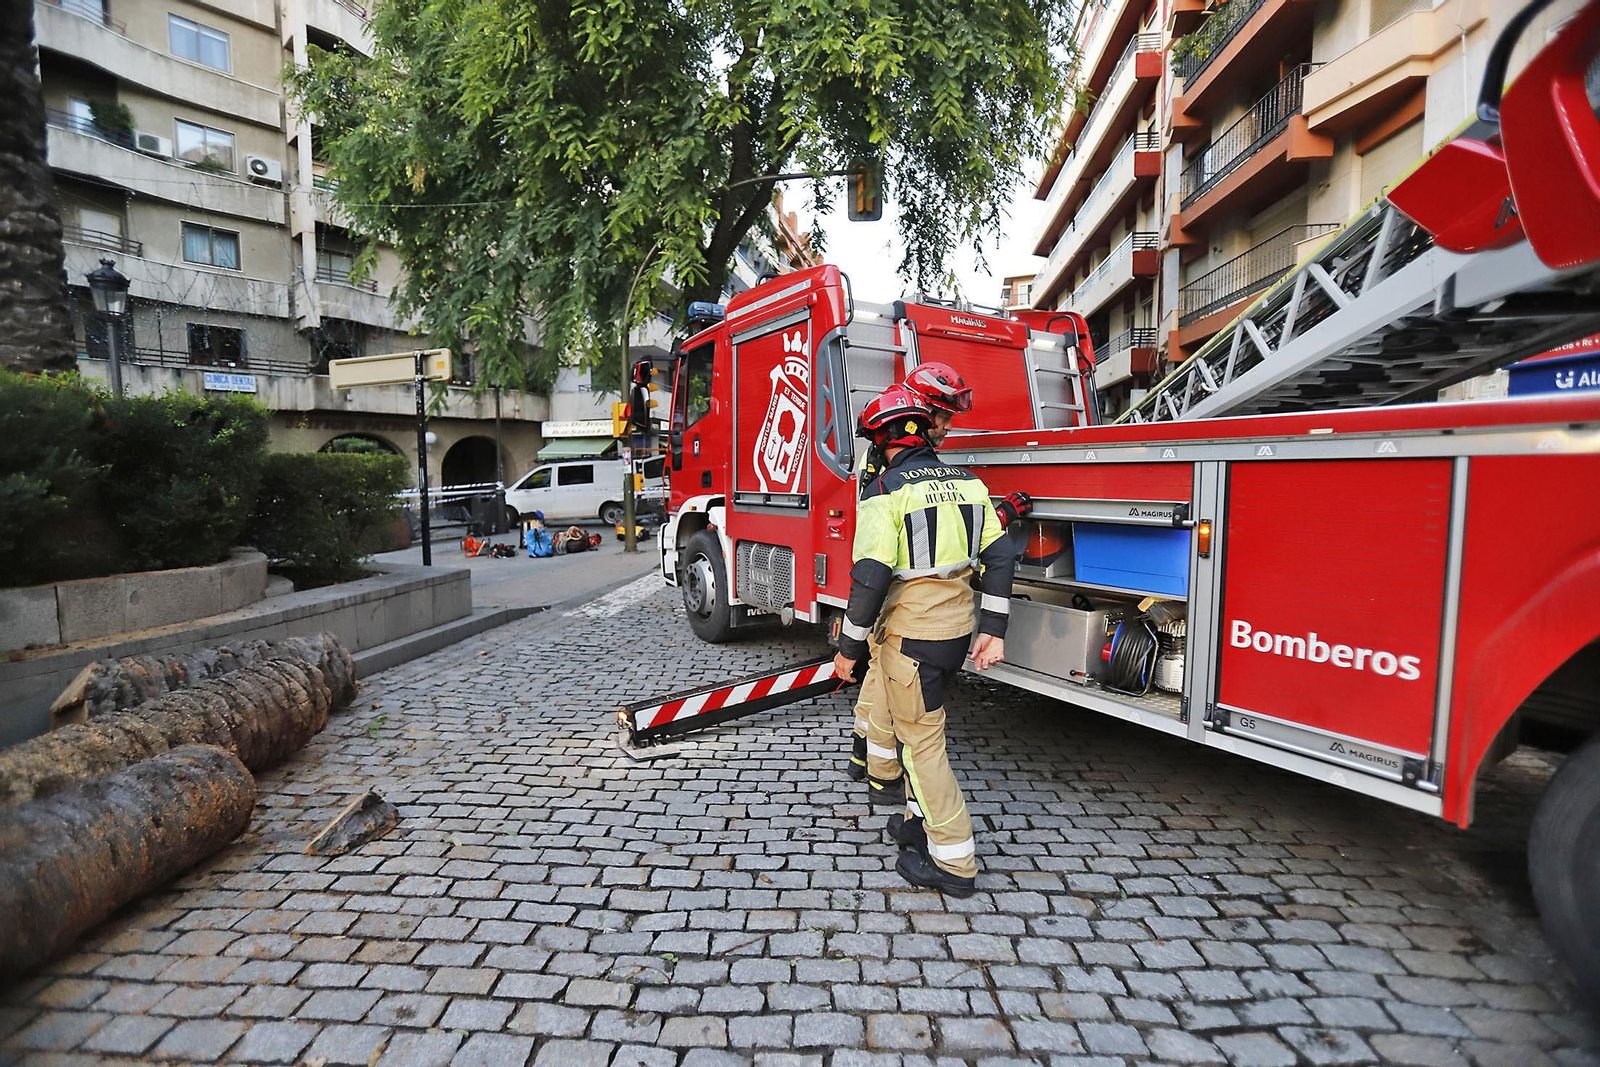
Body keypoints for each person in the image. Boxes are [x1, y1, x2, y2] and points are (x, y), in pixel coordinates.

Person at [832, 384, 1022, 896]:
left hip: (910, 638)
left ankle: (954, 862)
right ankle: (919, 827)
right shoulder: (969, 483)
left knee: (922, 746)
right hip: (955, 633)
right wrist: (993, 630)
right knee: (917, 729)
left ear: (885, 439)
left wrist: (847, 651)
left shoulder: (886, 492)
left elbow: (870, 578)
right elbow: (1001, 558)